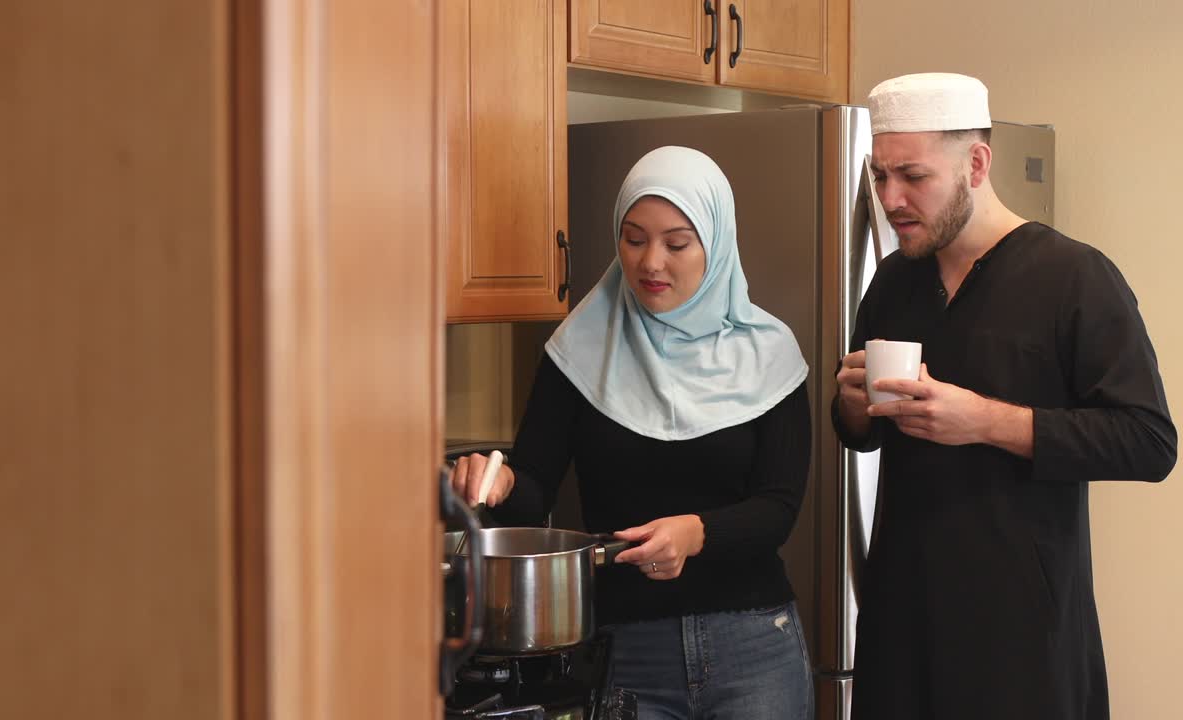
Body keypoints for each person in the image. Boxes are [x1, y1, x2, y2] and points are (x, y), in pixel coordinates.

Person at [832, 72, 1177, 720]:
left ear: (977, 162)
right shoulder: (893, 281)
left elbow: (1149, 441)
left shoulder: (1074, 276)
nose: (891, 198)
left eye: (913, 176)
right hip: (899, 621)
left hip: (1022, 633)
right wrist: (852, 405)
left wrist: (986, 422)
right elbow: (864, 431)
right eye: (879, 177)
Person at [452, 146, 814, 720]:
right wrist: (495, 484)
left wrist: (697, 534)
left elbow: (779, 507)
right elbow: (536, 485)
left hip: (753, 646)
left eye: (677, 243)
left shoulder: (770, 354)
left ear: (716, 245)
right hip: (627, 652)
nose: (650, 263)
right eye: (633, 238)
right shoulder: (578, 350)